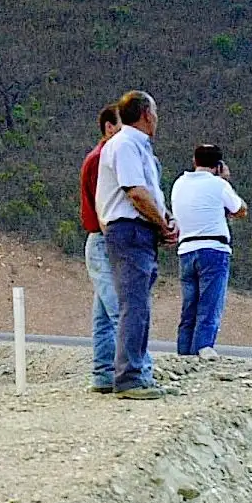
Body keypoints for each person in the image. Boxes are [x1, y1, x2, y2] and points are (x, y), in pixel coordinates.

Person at [97, 91, 174, 400]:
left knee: (138, 304)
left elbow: (150, 193)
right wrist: (162, 223)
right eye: (154, 113)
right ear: (145, 114)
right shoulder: (126, 144)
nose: (157, 119)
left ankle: (137, 372)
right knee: (134, 305)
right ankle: (128, 377)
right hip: (129, 230)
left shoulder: (139, 148)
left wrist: (165, 220)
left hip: (140, 230)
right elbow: (137, 193)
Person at [171, 145, 248, 357]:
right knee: (209, 304)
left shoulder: (179, 183)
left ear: (194, 161)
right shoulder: (219, 185)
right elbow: (240, 209)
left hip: (186, 249)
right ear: (218, 165)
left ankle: (184, 353)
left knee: (190, 306)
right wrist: (225, 181)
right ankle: (203, 348)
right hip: (214, 249)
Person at [79, 104, 126, 393]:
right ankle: (132, 370)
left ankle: (103, 373)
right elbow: (103, 204)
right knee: (119, 310)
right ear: (109, 127)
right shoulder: (102, 160)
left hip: (100, 239)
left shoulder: (100, 157)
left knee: (103, 313)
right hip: (103, 239)